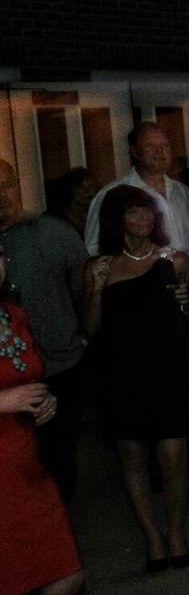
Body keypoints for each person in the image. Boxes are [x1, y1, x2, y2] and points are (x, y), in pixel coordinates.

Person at [0, 245, 85, 595]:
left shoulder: (13, 315)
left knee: (64, 577)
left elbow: (27, 375)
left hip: (24, 461)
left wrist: (42, 398)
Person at [83, 186, 189, 572]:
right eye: (135, 212)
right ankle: (151, 535)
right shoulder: (101, 265)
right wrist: (96, 289)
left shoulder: (175, 259)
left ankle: (176, 531)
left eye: (148, 211)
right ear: (118, 218)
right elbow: (91, 328)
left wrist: (185, 301)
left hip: (166, 369)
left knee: (173, 455)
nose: (145, 218)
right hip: (121, 372)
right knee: (132, 456)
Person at [0, 162, 88, 500]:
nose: (0, 194)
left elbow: (84, 290)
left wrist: (81, 336)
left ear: (17, 185)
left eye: (5, 184)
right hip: (6, 379)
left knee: (58, 459)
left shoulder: (53, 233)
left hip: (59, 366)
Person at [85, 122, 189, 264]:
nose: (160, 150)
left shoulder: (184, 193)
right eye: (150, 145)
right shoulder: (112, 194)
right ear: (134, 151)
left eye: (165, 145)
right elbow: (94, 248)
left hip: (186, 281)